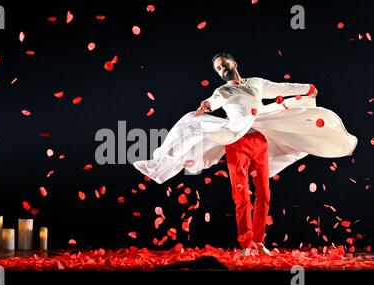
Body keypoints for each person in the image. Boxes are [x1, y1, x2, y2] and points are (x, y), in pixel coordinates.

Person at [133, 53, 357, 257]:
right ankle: (246, 245)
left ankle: (259, 242)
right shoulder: (224, 91)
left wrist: (308, 88)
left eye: (224, 65)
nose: (222, 70)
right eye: (218, 69)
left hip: (259, 141)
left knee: (264, 194)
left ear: (234, 63)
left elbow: (281, 88)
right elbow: (215, 100)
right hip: (237, 143)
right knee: (241, 197)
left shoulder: (257, 83)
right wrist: (208, 103)